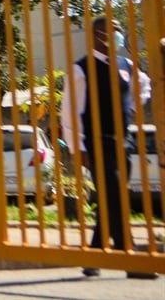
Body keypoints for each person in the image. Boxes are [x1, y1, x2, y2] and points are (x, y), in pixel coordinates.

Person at [60, 16, 154, 279]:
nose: (118, 35)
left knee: (112, 196)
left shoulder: (126, 65)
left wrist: (134, 105)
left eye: (119, 31)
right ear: (97, 35)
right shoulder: (81, 69)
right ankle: (130, 256)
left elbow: (143, 86)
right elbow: (70, 112)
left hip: (123, 141)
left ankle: (94, 253)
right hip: (96, 142)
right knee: (114, 195)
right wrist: (77, 147)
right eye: (113, 31)